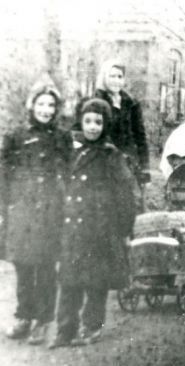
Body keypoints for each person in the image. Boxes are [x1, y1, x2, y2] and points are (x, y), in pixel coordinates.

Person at [48, 98, 136, 349]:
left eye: (98, 122)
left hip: (100, 229)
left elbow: (125, 194)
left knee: (96, 281)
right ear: (81, 122)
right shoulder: (73, 152)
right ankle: (65, 330)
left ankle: (92, 326)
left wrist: (124, 228)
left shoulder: (111, 155)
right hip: (73, 227)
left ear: (105, 124)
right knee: (68, 280)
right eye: (88, 121)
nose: (93, 127)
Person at [0, 81, 73, 345]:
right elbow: (4, 173)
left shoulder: (62, 138)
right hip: (21, 210)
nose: (46, 110)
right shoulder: (16, 136)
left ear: (56, 109)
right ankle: (23, 316)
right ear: (32, 106)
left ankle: (43, 320)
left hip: (50, 210)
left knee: (44, 266)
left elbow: (69, 172)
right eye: (41, 104)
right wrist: (5, 205)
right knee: (22, 265)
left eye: (51, 105)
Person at [94, 59, 150, 187]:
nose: (116, 80)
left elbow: (140, 137)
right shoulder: (97, 102)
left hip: (130, 164)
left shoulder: (131, 103)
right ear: (104, 77)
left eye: (120, 76)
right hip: (105, 163)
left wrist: (145, 170)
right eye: (112, 76)